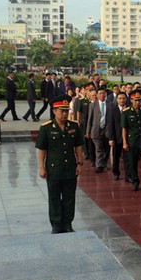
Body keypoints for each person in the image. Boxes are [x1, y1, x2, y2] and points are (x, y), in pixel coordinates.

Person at [36, 95, 84, 234]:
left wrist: (80, 163)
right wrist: (41, 167)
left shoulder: (74, 126)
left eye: (66, 110)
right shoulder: (46, 128)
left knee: (69, 198)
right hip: (54, 169)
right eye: (61, 110)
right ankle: (56, 224)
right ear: (54, 111)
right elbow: (42, 149)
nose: (64, 113)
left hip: (70, 168)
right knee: (54, 198)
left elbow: (79, 146)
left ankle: (68, 223)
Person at [122, 89, 141, 192]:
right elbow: (124, 128)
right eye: (135, 100)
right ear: (131, 100)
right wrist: (125, 142)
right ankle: (135, 181)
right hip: (132, 141)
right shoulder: (126, 112)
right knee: (132, 163)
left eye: (139, 100)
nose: (137, 102)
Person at [86, 87, 110, 173]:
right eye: (100, 93)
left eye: (104, 93)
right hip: (96, 130)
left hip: (107, 130)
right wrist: (87, 131)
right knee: (99, 148)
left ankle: (103, 163)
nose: (102, 95)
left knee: (107, 148)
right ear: (97, 95)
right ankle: (99, 165)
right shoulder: (93, 105)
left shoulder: (110, 104)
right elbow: (89, 119)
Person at [107, 91, 129, 181]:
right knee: (116, 157)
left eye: (123, 98)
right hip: (116, 138)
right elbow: (110, 125)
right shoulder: (113, 110)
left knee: (128, 159)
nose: (122, 100)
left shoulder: (129, 109)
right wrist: (111, 138)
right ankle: (116, 173)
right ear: (117, 99)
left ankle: (128, 175)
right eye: (120, 98)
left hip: (128, 138)